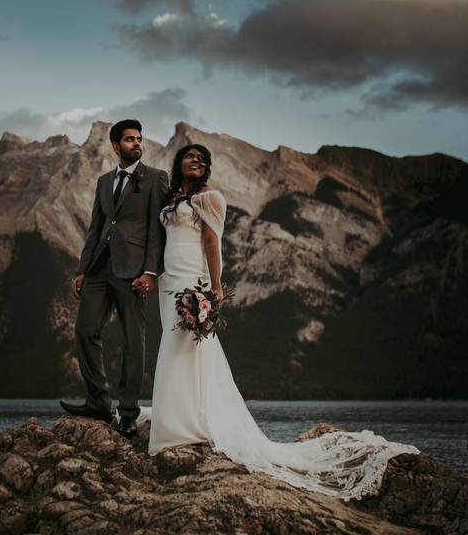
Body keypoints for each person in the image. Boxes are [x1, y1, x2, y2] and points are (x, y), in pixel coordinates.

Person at [145, 143, 421, 501]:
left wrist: (215, 289)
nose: (194, 161)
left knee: (191, 346)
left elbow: (213, 243)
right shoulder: (171, 198)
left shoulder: (210, 197)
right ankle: (175, 418)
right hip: (170, 279)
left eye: (202, 158)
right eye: (189, 156)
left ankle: (190, 423)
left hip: (192, 278)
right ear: (179, 162)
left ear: (208, 168)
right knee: (172, 341)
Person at [60, 119, 168, 437]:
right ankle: (98, 402)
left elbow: (157, 231)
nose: (136, 143)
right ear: (115, 146)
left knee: (133, 342)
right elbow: (96, 227)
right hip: (98, 269)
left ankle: (129, 412)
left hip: (133, 272)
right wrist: (82, 269)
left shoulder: (155, 179)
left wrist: (150, 272)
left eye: (139, 138)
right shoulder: (104, 181)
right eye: (130, 139)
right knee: (85, 331)